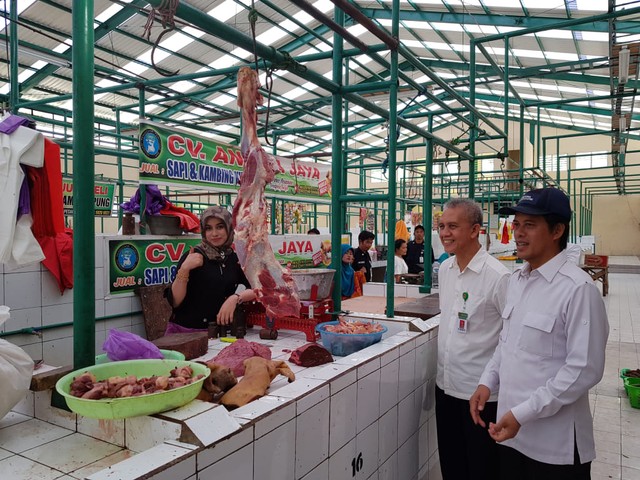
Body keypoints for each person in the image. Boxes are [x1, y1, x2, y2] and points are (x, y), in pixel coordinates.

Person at [469, 188, 609, 479]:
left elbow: (584, 369)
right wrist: (487, 381)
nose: (518, 233)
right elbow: (506, 343)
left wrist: (524, 413)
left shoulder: (577, 289)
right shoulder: (518, 281)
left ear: (557, 230)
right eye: (516, 224)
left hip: (554, 448)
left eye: (530, 225)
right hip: (511, 436)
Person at [435, 198, 510, 480]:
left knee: (481, 469)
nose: (444, 233)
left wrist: (489, 383)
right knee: (452, 466)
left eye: (453, 226)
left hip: (480, 396)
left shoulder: (498, 277)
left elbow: (512, 337)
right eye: (442, 226)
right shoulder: (445, 269)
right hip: (445, 387)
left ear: (475, 230)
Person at [165, 206, 256, 333]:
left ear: (229, 228)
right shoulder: (193, 256)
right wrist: (185, 269)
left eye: (220, 227)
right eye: (208, 228)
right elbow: (175, 301)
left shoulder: (233, 259)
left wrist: (235, 298)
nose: (214, 233)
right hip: (185, 333)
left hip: (219, 333)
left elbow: (258, 289)